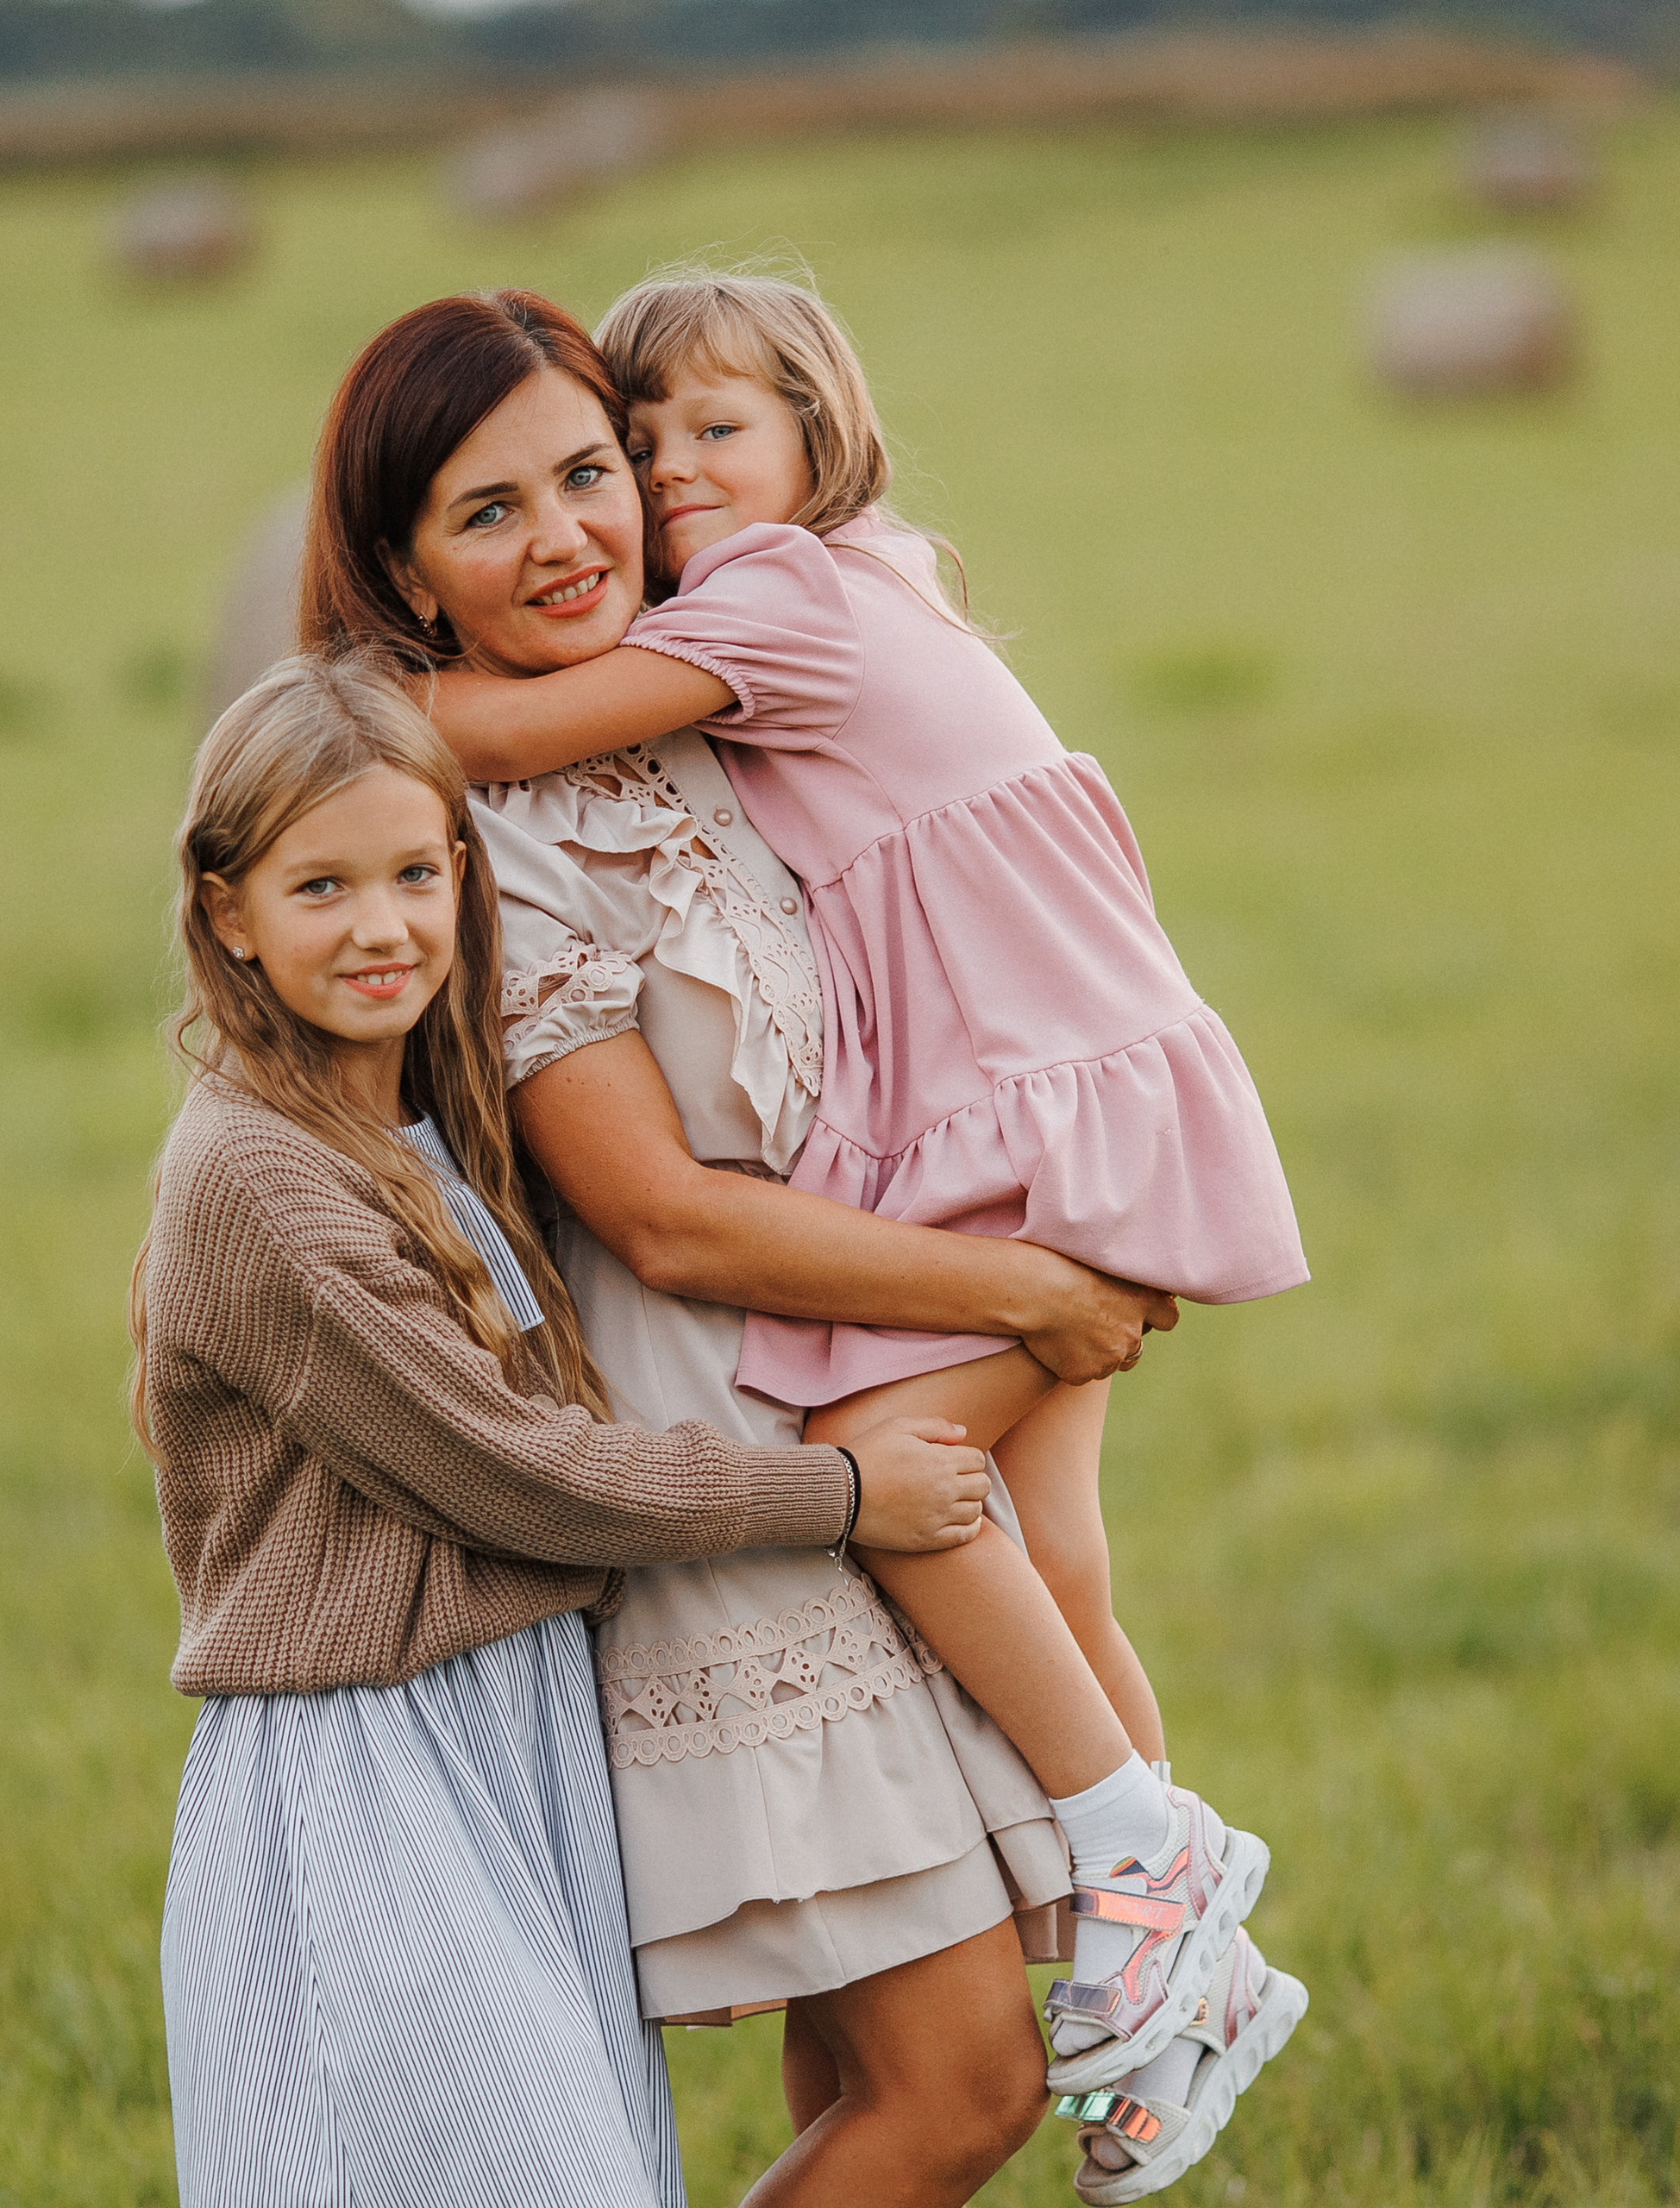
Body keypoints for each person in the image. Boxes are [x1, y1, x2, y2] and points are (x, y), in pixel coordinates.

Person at [305, 287, 1289, 2207]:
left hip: (868, 1331)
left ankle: (1164, 1887)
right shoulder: (482, 832)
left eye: (591, 471)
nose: (585, 525)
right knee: (951, 2095)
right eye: (488, 512)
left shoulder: (719, 686)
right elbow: (666, 1219)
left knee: (876, 2066)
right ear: (404, 572)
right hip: (749, 1448)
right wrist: (1031, 1287)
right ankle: (1158, 1864)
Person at [133, 652, 995, 2208]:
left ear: (464, 876)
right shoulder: (256, 1179)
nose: (382, 925)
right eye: (319, 886)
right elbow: (513, 1468)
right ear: (226, 910)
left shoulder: (411, 1115)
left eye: (413, 873)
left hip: (508, 1732)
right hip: (367, 1766)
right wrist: (841, 1494)